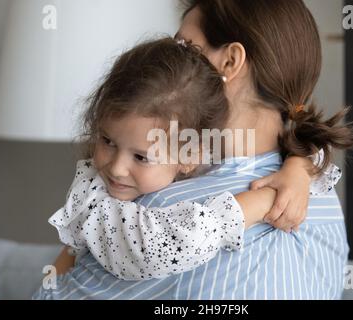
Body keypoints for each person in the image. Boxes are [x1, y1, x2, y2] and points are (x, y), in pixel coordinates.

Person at [34, 0, 353, 299]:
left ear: (230, 61)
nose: (171, 59)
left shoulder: (160, 210)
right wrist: (298, 167)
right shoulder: (320, 196)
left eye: (186, 48)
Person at [48, 38, 283, 280]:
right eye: (107, 141)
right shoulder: (94, 198)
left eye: (140, 157)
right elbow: (158, 248)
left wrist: (298, 169)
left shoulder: (216, 163)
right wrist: (259, 203)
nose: (116, 168)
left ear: (190, 156)